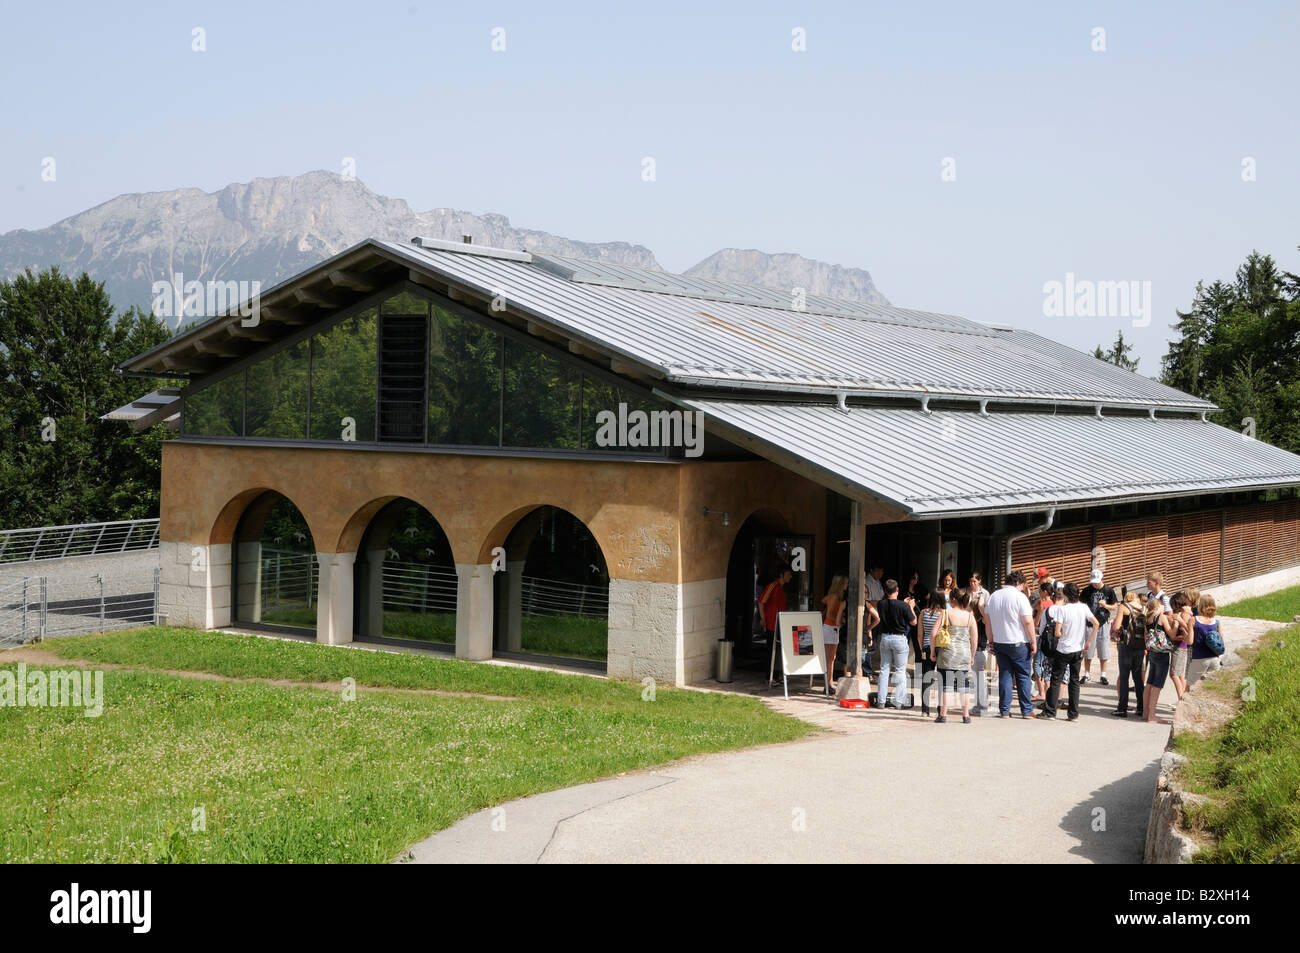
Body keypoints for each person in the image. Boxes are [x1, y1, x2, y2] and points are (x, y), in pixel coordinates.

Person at [1041, 582, 1098, 721]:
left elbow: (1057, 631)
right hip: (1078, 649)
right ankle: (1073, 714)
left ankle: (1050, 711)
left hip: (1063, 648)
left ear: (1065, 595)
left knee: (1056, 679)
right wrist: (1088, 641)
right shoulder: (1083, 607)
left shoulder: (1063, 610)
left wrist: (1062, 633)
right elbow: (1096, 623)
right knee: (1074, 680)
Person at [985, 570, 1038, 718]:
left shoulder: (993, 596)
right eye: (1022, 585)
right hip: (1018, 642)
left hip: (999, 642)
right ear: (1017, 583)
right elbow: (1028, 621)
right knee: (1023, 676)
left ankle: (1004, 710)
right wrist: (1033, 641)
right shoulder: (1020, 597)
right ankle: (1026, 710)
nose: (1022, 588)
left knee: (1005, 675)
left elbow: (987, 622)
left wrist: (990, 640)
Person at [932, 587, 977, 723]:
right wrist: (972, 656)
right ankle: (966, 715)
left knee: (947, 685)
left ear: (953, 599)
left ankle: (943, 715)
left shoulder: (945, 613)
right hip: (964, 653)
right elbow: (974, 639)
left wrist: (932, 652)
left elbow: (933, 633)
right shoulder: (970, 616)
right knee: (964, 686)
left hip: (947, 653)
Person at [874, 578, 916, 709]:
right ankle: (898, 701)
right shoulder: (903, 606)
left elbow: (892, 607)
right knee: (900, 671)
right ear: (897, 590)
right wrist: (910, 607)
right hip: (899, 638)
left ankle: (881, 701)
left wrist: (903, 605)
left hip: (885, 637)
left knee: (884, 670)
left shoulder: (881, 604)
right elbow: (913, 621)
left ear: (885, 591)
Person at [1111, 589, 1147, 718]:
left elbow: (1116, 626)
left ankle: (1122, 708)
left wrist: (1117, 631)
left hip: (1126, 645)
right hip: (1140, 645)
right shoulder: (1143, 608)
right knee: (1138, 678)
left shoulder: (1124, 607)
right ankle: (1141, 707)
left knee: (1124, 676)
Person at [1080, 569, 1117, 685]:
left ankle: (1103, 674)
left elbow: (1115, 606)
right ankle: (1087, 673)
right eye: (1093, 582)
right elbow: (1081, 604)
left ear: (1102, 578)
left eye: (1097, 582)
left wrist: (1106, 605)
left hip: (1103, 622)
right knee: (1088, 649)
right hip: (1090, 623)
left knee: (1103, 649)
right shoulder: (1087, 590)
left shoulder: (1109, 590)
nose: (1095, 584)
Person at [1142, 595, 1175, 723]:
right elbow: (1171, 633)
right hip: (1162, 653)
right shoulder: (1161, 617)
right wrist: (1176, 624)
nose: (1164, 607)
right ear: (1158, 606)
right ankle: (1152, 716)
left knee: (1149, 683)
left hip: (1152, 652)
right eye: (1163, 605)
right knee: (1157, 685)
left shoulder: (1147, 618)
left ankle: (1145, 713)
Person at [967, 572, 992, 716]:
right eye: (971, 581)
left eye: (974, 581)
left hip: (981, 635)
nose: (972, 584)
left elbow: (987, 616)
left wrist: (981, 608)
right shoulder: (967, 593)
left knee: (979, 673)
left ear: (979, 581)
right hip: (971, 632)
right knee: (976, 674)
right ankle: (980, 703)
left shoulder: (985, 594)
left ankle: (981, 704)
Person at [759, 568, 791, 675]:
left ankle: (776, 675)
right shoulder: (773, 586)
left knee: (777, 651)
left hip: (779, 624)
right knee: (771, 651)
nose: (790, 576)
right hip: (772, 624)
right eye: (788, 574)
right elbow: (761, 602)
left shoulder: (781, 588)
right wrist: (763, 619)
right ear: (781, 575)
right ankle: (770, 676)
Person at [1187, 594, 1224, 688]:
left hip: (1199, 658)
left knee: (1189, 687)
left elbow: (1190, 641)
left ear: (1201, 605)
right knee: (1212, 687)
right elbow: (1222, 641)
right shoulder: (1216, 622)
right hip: (1214, 658)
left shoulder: (1193, 620)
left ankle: (1184, 703)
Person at [917, 592, 945, 716]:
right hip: (941, 648)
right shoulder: (944, 613)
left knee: (926, 678)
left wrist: (922, 647)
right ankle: (940, 709)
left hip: (927, 647)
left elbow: (919, 634)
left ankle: (925, 710)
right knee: (941, 679)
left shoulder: (923, 612)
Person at [821, 575, 848, 691]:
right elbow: (829, 614)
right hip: (830, 627)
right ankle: (828, 683)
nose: (847, 585)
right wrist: (841, 619)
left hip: (831, 628)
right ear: (841, 584)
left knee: (831, 657)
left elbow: (823, 600)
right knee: (829, 657)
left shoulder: (834, 596)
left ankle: (829, 682)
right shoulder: (835, 597)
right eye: (846, 583)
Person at [1031, 582, 1056, 702]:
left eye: (1040, 590)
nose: (1039, 592)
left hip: (1042, 637)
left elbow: (1036, 623)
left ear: (1045, 591)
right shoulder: (1054, 603)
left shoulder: (1043, 604)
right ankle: (1046, 690)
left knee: (1037, 664)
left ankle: (1042, 692)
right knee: (1047, 665)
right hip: (1052, 638)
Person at [1168, 591, 1194, 701]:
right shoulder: (1187, 612)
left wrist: (1179, 620)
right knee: (1180, 675)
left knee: (1174, 674)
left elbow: (1189, 630)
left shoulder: (1184, 614)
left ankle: (1181, 700)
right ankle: (1184, 698)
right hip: (1181, 646)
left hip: (1180, 646)